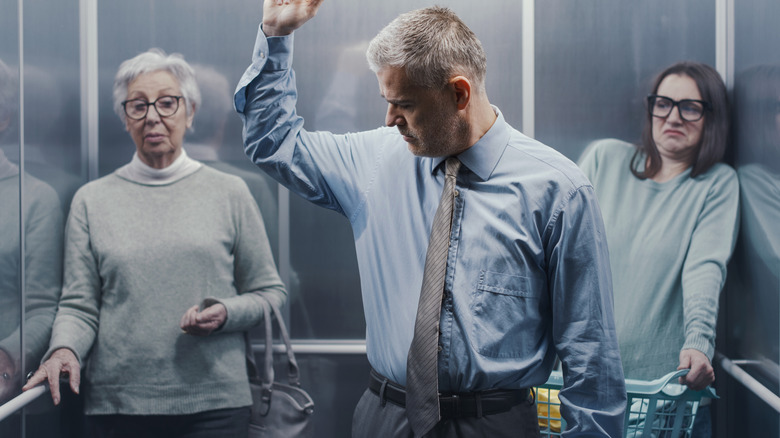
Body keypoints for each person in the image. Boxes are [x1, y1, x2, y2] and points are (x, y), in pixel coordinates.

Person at [234, 1, 625, 437]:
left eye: (404, 104)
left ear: (459, 94)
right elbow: (273, 142)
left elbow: (590, 350)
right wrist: (275, 36)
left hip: (494, 424)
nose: (389, 119)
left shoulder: (557, 190)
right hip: (384, 418)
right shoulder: (374, 160)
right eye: (387, 101)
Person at [23, 48, 286, 438]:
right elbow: (79, 305)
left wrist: (226, 313)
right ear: (124, 118)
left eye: (167, 103)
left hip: (215, 404)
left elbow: (270, 293)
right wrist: (63, 349)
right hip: (118, 405)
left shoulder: (231, 192)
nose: (152, 117)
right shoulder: (91, 200)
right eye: (138, 105)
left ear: (190, 112)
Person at [578, 61, 740, 436]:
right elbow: (555, 252)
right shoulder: (604, 160)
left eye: (691, 107)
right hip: (585, 396)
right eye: (663, 103)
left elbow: (705, 268)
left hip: (666, 404)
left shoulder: (715, 185)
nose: (673, 116)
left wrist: (699, 344)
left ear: (711, 118)